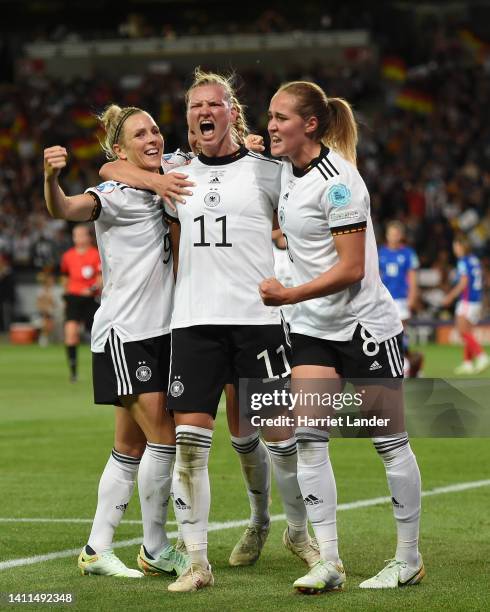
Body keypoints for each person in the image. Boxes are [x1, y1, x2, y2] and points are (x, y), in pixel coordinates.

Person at [101, 68, 319, 593]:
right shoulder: (176, 169)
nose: (204, 111)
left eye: (214, 104)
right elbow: (112, 164)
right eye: (196, 105)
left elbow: (295, 206)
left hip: (258, 324)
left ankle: (293, 530)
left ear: (230, 112)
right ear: (190, 116)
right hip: (193, 326)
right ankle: (198, 561)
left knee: (279, 439)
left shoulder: (267, 170)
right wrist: (154, 179)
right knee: (191, 446)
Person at [260, 80, 424, 592]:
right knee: (309, 440)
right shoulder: (286, 171)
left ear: (310, 125)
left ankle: (408, 558)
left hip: (362, 327)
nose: (270, 125)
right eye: (269, 116)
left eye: (281, 117)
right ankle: (328, 561)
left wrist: (289, 295)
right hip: (314, 327)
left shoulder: (340, 182)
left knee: (389, 442)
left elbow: (352, 268)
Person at [43, 104, 193, 579]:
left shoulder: (171, 175)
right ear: (120, 148)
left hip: (161, 333)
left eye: (154, 130)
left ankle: (96, 548)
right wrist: (51, 181)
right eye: (139, 134)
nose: (152, 139)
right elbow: (67, 208)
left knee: (129, 449)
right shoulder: (113, 193)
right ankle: (154, 547)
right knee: (165, 441)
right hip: (127, 336)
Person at [378, 220, 424, 377]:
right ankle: (412, 364)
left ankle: (406, 365)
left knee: (400, 333)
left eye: (396, 234)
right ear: (387, 235)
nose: (393, 237)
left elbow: (412, 277)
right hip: (384, 300)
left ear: (401, 236)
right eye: (391, 234)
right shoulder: (380, 252)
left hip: (401, 299)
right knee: (386, 334)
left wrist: (412, 296)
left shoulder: (408, 253)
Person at [442, 234, 489, 374]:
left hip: (467, 301)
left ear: (462, 246)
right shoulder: (475, 260)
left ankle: (482, 356)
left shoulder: (463, 261)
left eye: (456, 246)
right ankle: (468, 363)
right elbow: (484, 279)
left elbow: (463, 283)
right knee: (468, 331)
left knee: (462, 331)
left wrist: (449, 297)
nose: (455, 249)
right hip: (476, 300)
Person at [60, 224, 101, 382]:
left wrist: (91, 289)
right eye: (76, 235)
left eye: (82, 234)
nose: (78, 237)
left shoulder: (96, 254)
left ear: (88, 236)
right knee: (70, 334)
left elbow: (100, 278)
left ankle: (103, 369)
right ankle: (73, 372)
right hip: (74, 299)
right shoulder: (68, 256)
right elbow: (64, 276)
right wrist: (66, 293)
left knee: (98, 334)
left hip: (91, 298)